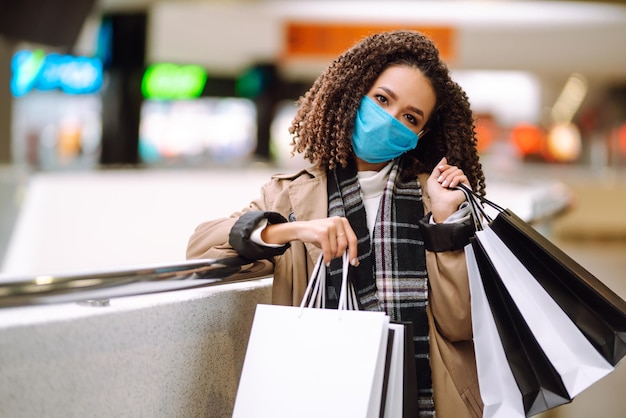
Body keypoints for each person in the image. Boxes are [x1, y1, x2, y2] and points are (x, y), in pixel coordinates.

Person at [187, 30, 486, 418]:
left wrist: (447, 222)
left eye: (409, 117)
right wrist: (293, 230)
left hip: (424, 401)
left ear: (420, 135)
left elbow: (462, 323)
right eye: (382, 99)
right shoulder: (290, 197)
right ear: (354, 92)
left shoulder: (437, 199)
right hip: (321, 395)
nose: (390, 119)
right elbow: (201, 247)